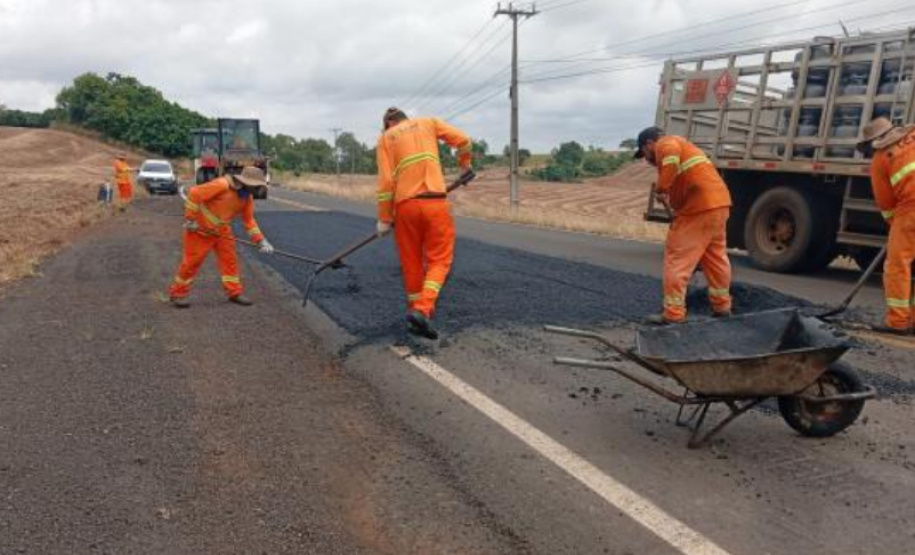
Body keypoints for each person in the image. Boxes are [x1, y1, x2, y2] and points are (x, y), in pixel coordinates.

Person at [376, 107, 473, 339]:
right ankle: (422, 310)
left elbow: (387, 182)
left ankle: (416, 314)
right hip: (435, 203)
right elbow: (464, 141)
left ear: (389, 122)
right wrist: (464, 165)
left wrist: (384, 218)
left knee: (411, 263)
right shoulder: (428, 122)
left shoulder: (386, 138)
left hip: (406, 207)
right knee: (439, 260)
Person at [633, 126, 733, 324]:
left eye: (644, 153)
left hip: (697, 210)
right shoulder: (684, 146)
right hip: (718, 205)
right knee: (715, 259)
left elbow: (670, 159)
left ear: (649, 144)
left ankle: (673, 314)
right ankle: (722, 307)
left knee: (677, 260)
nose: (646, 159)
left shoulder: (666, 143)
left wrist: (662, 188)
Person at [168, 166, 275, 308]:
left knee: (230, 260)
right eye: (256, 187)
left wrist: (261, 241)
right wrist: (190, 220)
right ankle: (178, 294)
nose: (257, 191)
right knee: (192, 262)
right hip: (200, 230)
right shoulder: (222, 185)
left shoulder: (246, 198)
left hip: (222, 231)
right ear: (246, 182)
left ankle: (234, 292)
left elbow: (249, 220)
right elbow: (195, 193)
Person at [857, 117, 915, 335]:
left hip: (911, 209)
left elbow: (886, 202)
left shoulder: (881, 159)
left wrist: (896, 226)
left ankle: (898, 321)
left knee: (898, 265)